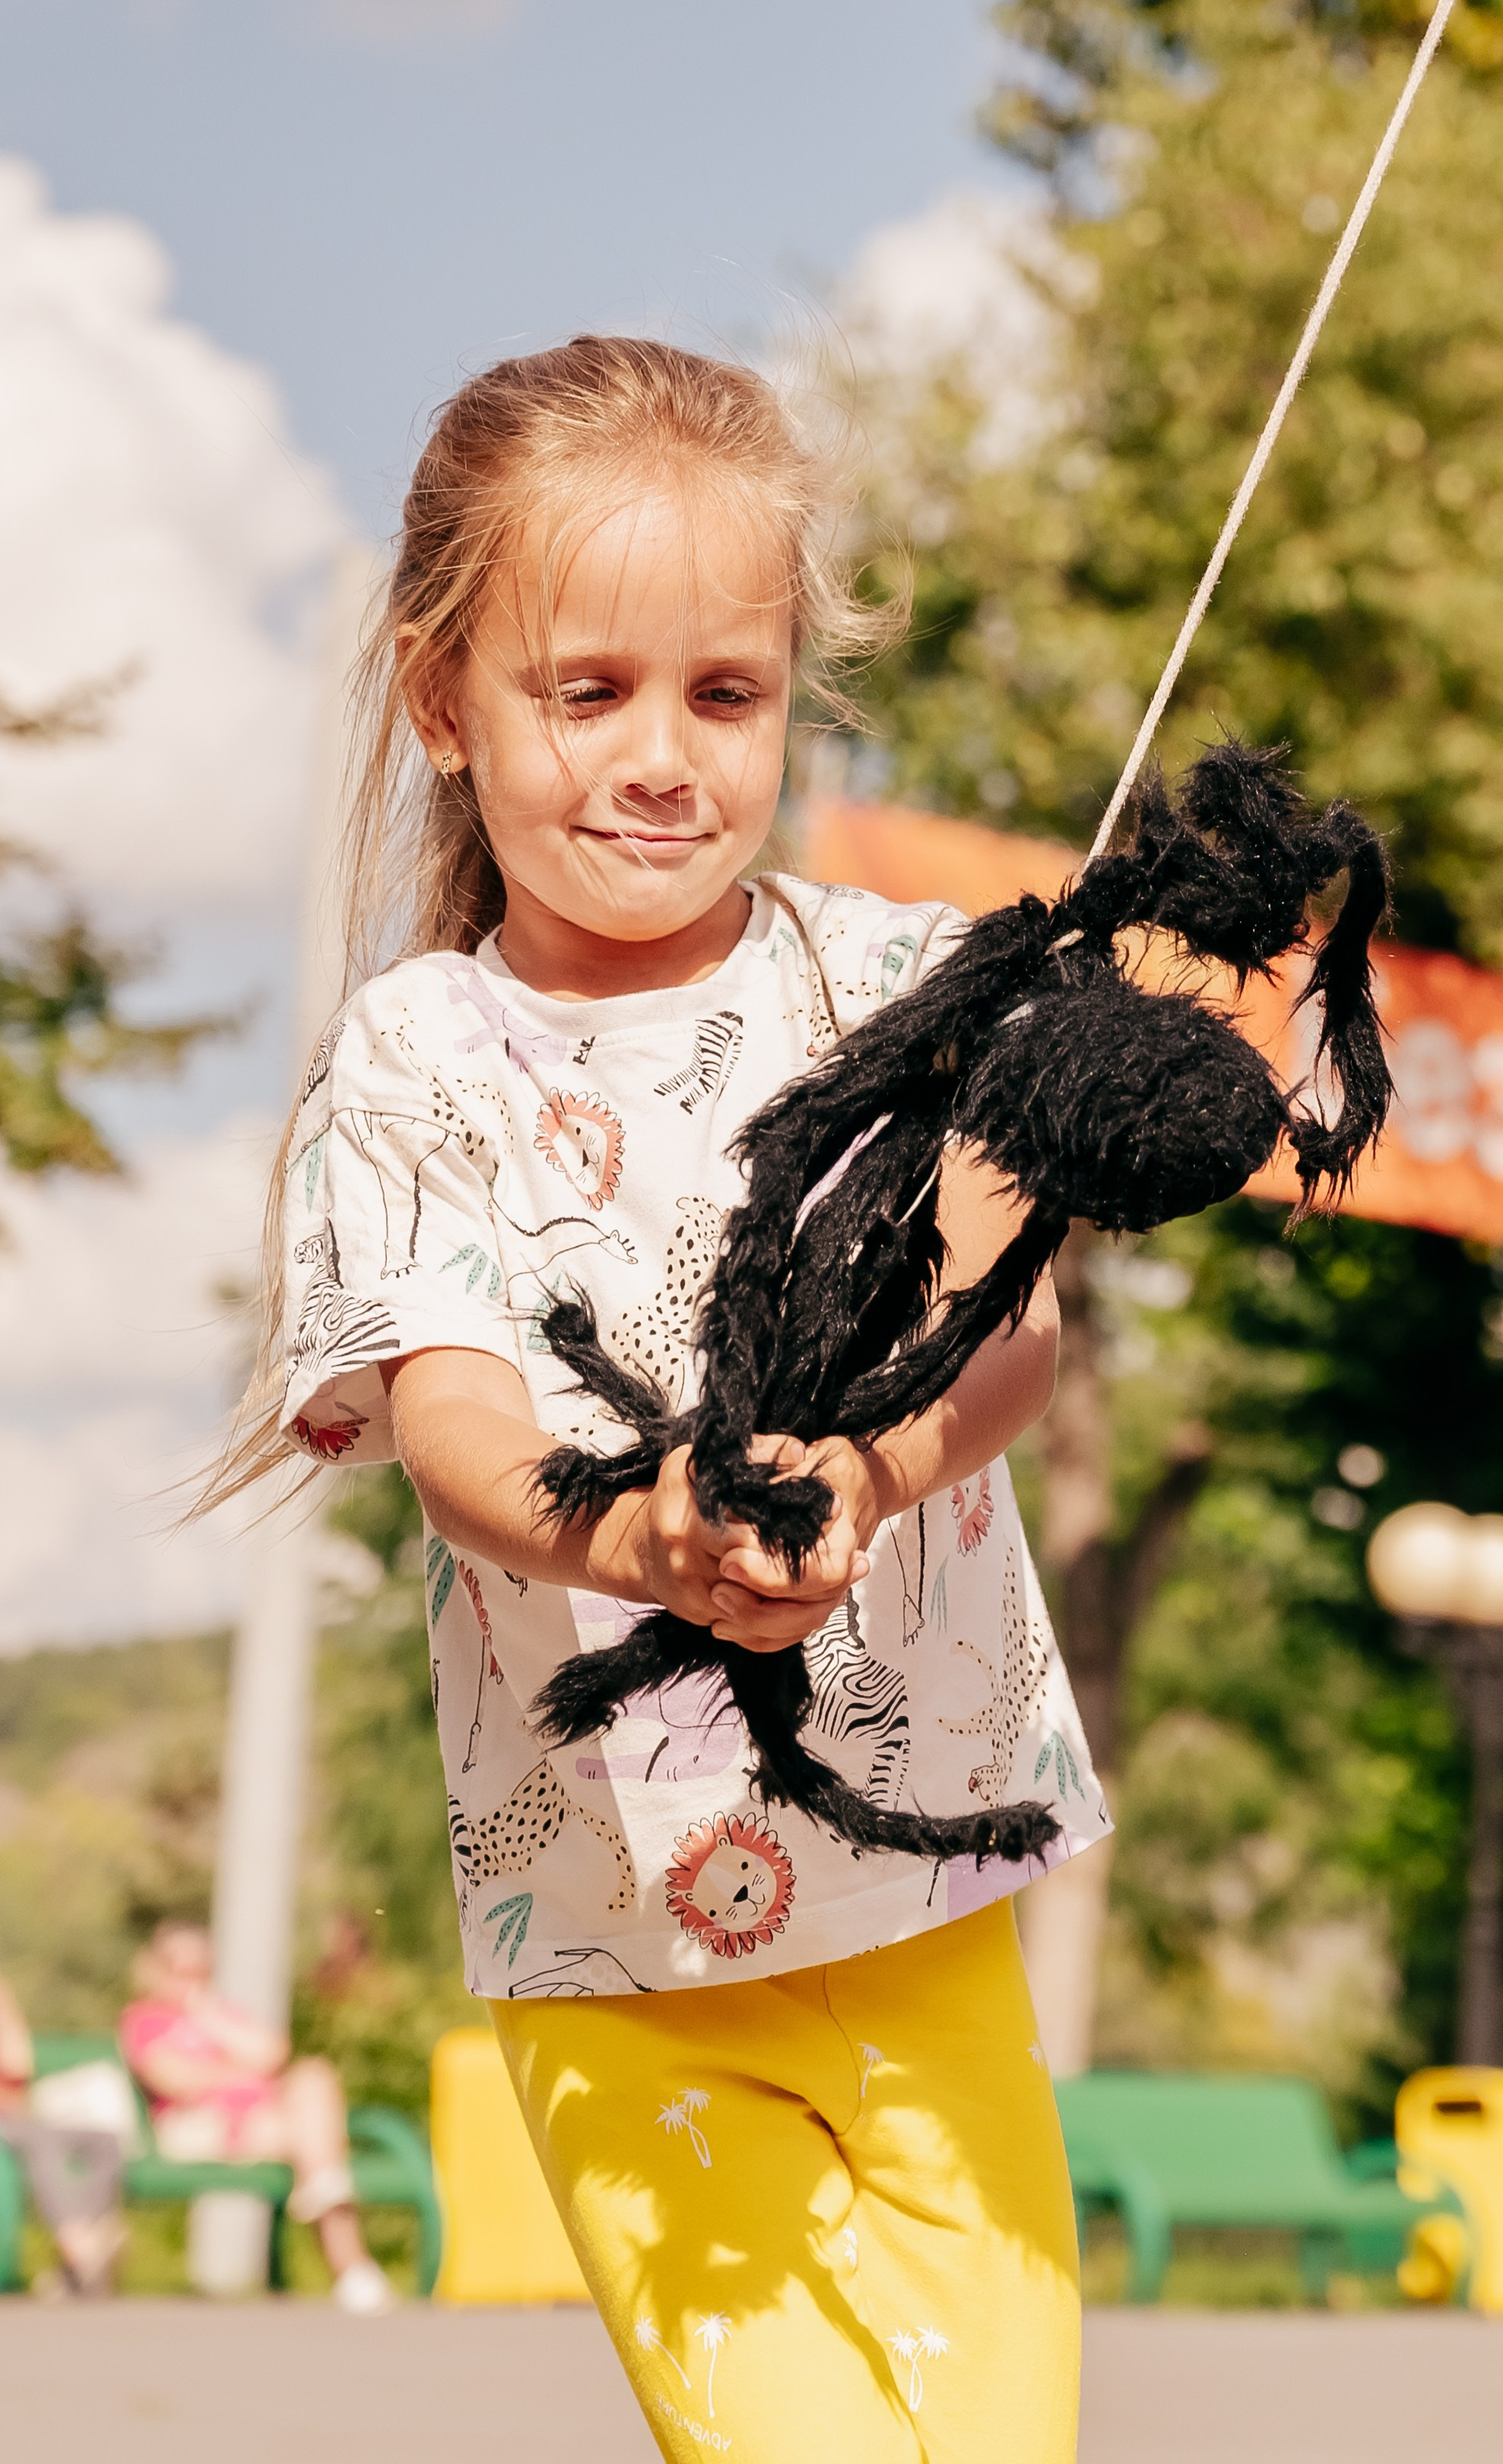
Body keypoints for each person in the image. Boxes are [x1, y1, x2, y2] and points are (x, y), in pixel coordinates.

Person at [211, 338, 1110, 2459]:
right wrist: (648, 1535)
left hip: (920, 1893)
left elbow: (1014, 1333)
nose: (659, 758)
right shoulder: (419, 1058)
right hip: (612, 1935)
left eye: (722, 694)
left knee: (994, 2443)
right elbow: (448, 1426)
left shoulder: (891, 986)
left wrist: (865, 1466)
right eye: (582, 688)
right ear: (445, 702)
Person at [119, 1923, 391, 2313]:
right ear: (157, 1970)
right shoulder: (144, 2019)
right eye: (180, 1968)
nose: (192, 1979)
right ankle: (351, 2265)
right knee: (317, 2151)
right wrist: (241, 2071)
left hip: (259, 2122)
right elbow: (176, 2080)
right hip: (199, 2128)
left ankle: (329, 2196)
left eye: (202, 1969)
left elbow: (273, 2053)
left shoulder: (219, 2015)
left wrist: (211, 2020)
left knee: (313, 2077)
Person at [0, 1974, 126, 2295]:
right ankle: (81, 2247)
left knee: (105, 2140)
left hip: (21, 2115)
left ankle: (82, 2249)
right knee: (41, 2141)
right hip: (14, 2124)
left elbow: (18, 2063)